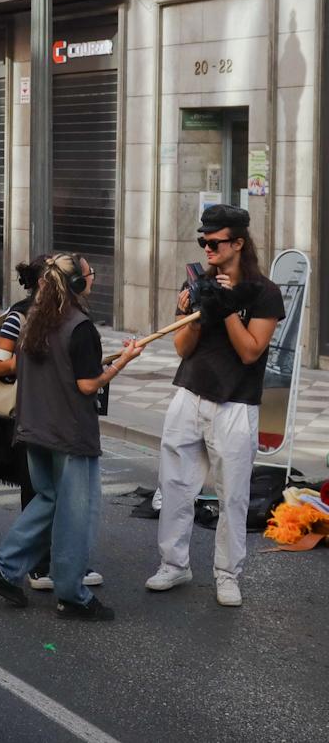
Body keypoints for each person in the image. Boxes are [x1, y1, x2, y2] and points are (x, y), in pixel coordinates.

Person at [0, 253, 140, 621]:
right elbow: (87, 384)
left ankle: (5, 569)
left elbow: (59, 368)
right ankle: (72, 594)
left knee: (47, 499)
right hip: (69, 433)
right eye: (88, 275)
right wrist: (123, 361)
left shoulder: (35, 318)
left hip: (34, 428)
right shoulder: (79, 326)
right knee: (75, 514)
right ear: (76, 285)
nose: (93, 280)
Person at [145, 204, 284, 608]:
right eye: (202, 240)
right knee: (173, 485)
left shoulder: (264, 292)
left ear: (238, 243)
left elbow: (250, 352)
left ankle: (227, 574)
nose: (207, 246)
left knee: (233, 495)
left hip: (236, 403)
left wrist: (225, 311)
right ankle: (173, 563)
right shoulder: (196, 280)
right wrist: (194, 312)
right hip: (190, 392)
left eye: (215, 240)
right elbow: (182, 348)